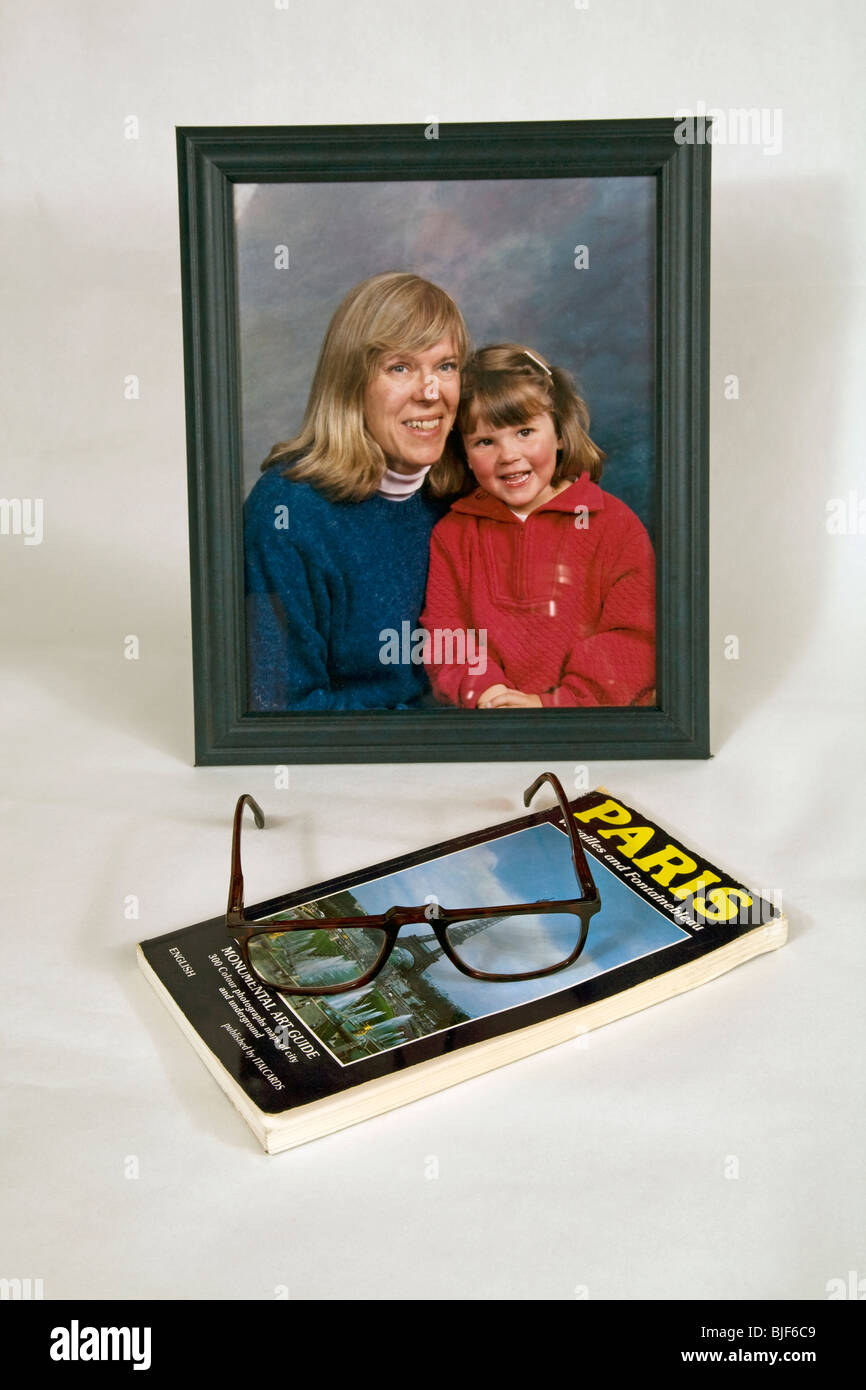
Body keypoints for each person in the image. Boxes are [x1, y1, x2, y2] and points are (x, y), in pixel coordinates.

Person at [244, 272, 470, 711]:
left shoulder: (471, 493)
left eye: (446, 366)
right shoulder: (286, 515)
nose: (431, 393)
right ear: (351, 384)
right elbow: (280, 710)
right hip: (353, 767)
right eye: (400, 368)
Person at [419, 343, 655, 708]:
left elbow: (633, 641)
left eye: (525, 432)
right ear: (463, 453)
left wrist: (557, 705)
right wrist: (488, 692)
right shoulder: (453, 533)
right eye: (485, 441)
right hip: (492, 724)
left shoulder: (616, 526)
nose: (509, 455)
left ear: (559, 432)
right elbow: (446, 633)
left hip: (594, 728)